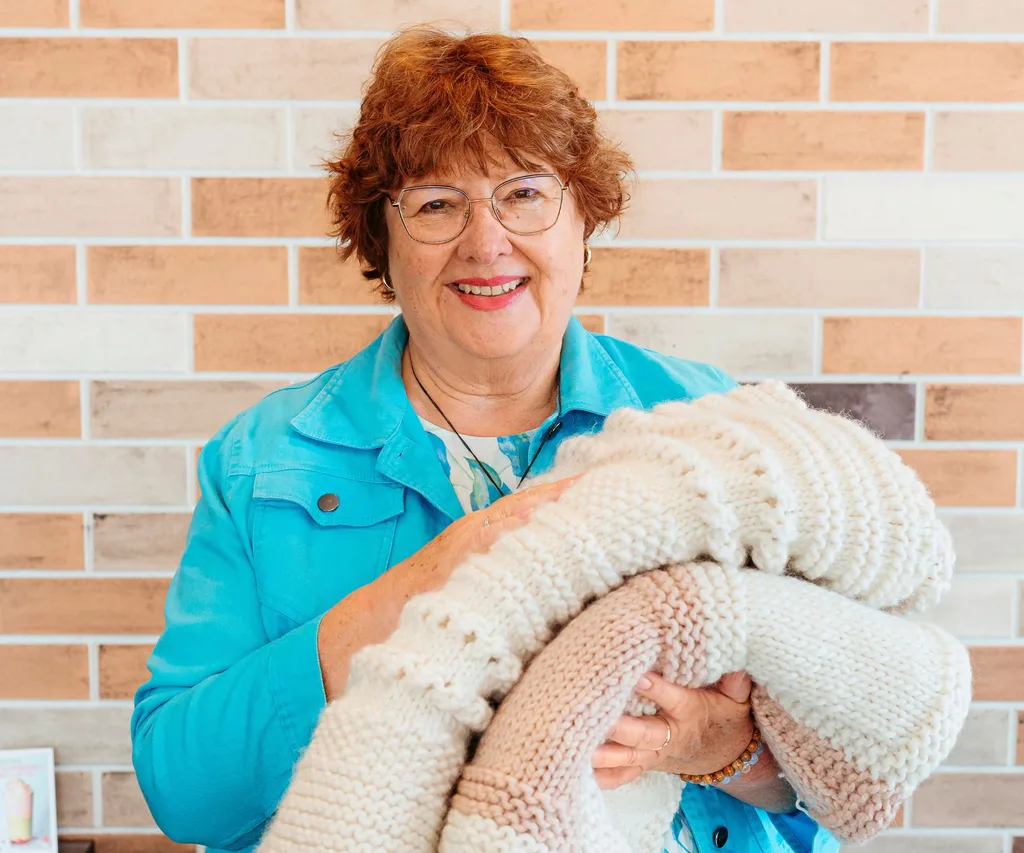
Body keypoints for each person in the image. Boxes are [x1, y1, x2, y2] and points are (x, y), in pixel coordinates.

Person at [131, 27, 838, 853]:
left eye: (525, 194)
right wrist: (423, 583)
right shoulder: (264, 458)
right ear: (381, 240)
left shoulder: (717, 425)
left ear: (583, 218)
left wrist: (726, 749)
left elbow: (852, 756)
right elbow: (183, 789)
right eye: (437, 203)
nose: (486, 240)